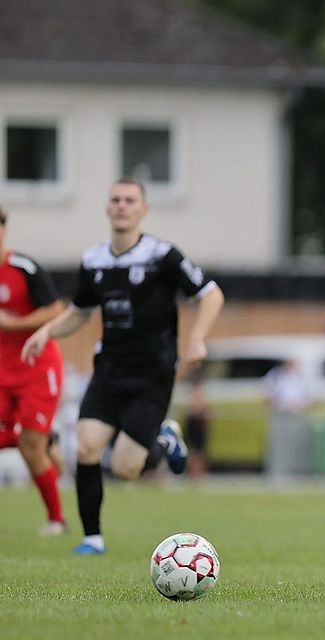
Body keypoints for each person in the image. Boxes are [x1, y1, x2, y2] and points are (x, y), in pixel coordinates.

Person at [22, 178, 224, 555]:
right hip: (109, 372)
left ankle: (164, 439)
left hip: (152, 374)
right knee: (85, 447)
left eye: (130, 200)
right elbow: (80, 312)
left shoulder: (163, 256)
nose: (121, 205)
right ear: (107, 208)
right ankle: (92, 538)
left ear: (143, 209)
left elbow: (210, 294)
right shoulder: (94, 261)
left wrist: (197, 337)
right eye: (115, 199)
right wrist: (46, 331)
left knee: (126, 468)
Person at [0, 206, 68, 536]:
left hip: (37, 369)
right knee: (32, 442)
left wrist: (13, 324)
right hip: (1, 372)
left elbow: (57, 309)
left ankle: (57, 519)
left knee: (30, 447)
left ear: (3, 230)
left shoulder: (24, 268)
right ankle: (46, 440)